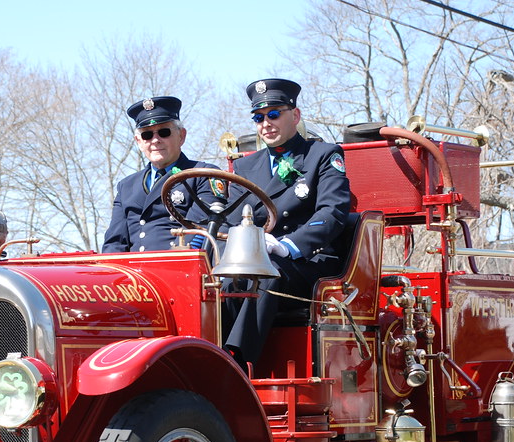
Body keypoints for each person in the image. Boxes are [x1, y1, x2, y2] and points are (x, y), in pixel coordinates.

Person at [222, 78, 352, 369]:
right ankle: (212, 353)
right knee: (223, 279)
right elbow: (231, 222)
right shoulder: (244, 167)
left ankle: (239, 364)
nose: (265, 123)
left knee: (268, 275)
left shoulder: (324, 156)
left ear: (295, 115)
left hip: (309, 261)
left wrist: (287, 245)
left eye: (273, 114)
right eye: (258, 117)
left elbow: (333, 213)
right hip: (256, 257)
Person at [102, 96, 224, 253]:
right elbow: (114, 244)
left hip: (180, 269)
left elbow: (200, 231)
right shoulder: (126, 186)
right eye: (147, 135)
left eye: (164, 132)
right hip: (133, 274)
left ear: (181, 136)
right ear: (138, 142)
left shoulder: (202, 175)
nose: (155, 140)